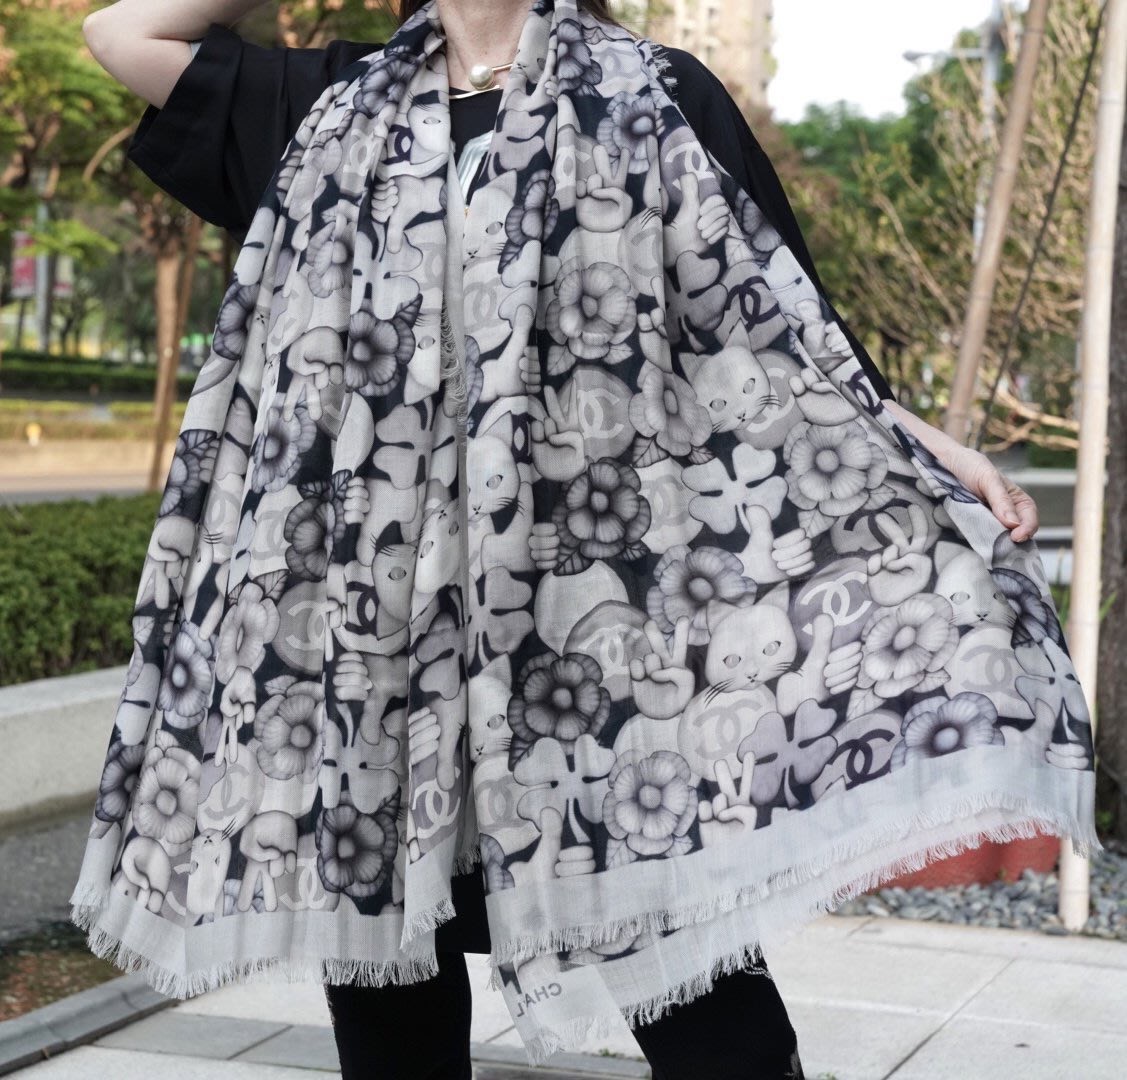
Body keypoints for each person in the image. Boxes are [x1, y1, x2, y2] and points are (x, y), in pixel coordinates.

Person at [73, 3, 1095, 1079]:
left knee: (699, 998)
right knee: (387, 994)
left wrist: (926, 447)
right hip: (383, 654)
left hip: (589, 648)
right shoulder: (330, 107)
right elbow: (121, 35)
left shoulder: (654, 94)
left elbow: (783, 332)